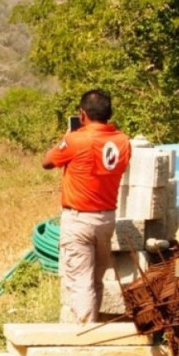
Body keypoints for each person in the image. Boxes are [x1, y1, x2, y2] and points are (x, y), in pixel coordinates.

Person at [42, 89, 130, 324]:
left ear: (83, 114)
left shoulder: (75, 140)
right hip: (107, 219)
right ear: (109, 113)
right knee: (95, 280)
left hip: (79, 220)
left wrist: (66, 137)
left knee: (80, 281)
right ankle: (92, 324)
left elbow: (47, 161)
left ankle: (85, 334)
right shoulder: (123, 142)